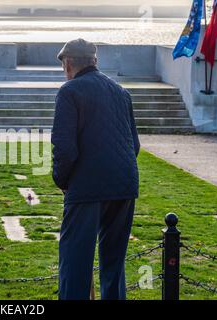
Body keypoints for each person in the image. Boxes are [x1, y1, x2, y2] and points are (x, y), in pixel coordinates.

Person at [52, 38, 140, 300]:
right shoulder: (121, 91)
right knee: (114, 262)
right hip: (124, 184)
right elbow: (133, 144)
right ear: (94, 61)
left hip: (86, 187)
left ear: (68, 64)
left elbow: (64, 147)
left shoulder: (70, 91)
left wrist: (62, 180)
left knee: (75, 261)